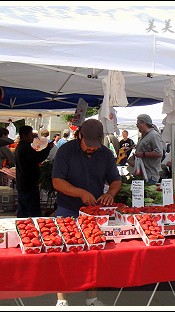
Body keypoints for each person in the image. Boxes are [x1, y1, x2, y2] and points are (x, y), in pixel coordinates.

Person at [52, 119, 122, 306]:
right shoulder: (65, 151)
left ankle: (92, 299)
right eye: (88, 145)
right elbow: (57, 182)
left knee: (93, 254)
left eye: (95, 145)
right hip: (68, 209)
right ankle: (62, 301)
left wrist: (110, 193)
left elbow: (116, 180)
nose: (92, 148)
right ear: (80, 135)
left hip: (93, 212)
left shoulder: (106, 154)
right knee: (65, 254)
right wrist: (80, 193)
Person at [15, 125, 54, 218]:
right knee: (31, 211)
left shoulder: (22, 147)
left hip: (24, 183)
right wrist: (48, 148)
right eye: (31, 135)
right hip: (28, 184)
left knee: (24, 210)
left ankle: (22, 225)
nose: (33, 137)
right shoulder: (24, 148)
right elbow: (38, 157)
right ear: (24, 136)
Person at [134, 114, 163, 184]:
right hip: (143, 174)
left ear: (143, 123)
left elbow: (159, 153)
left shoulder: (153, 135)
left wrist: (143, 154)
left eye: (138, 123)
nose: (137, 126)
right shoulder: (143, 136)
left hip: (150, 175)